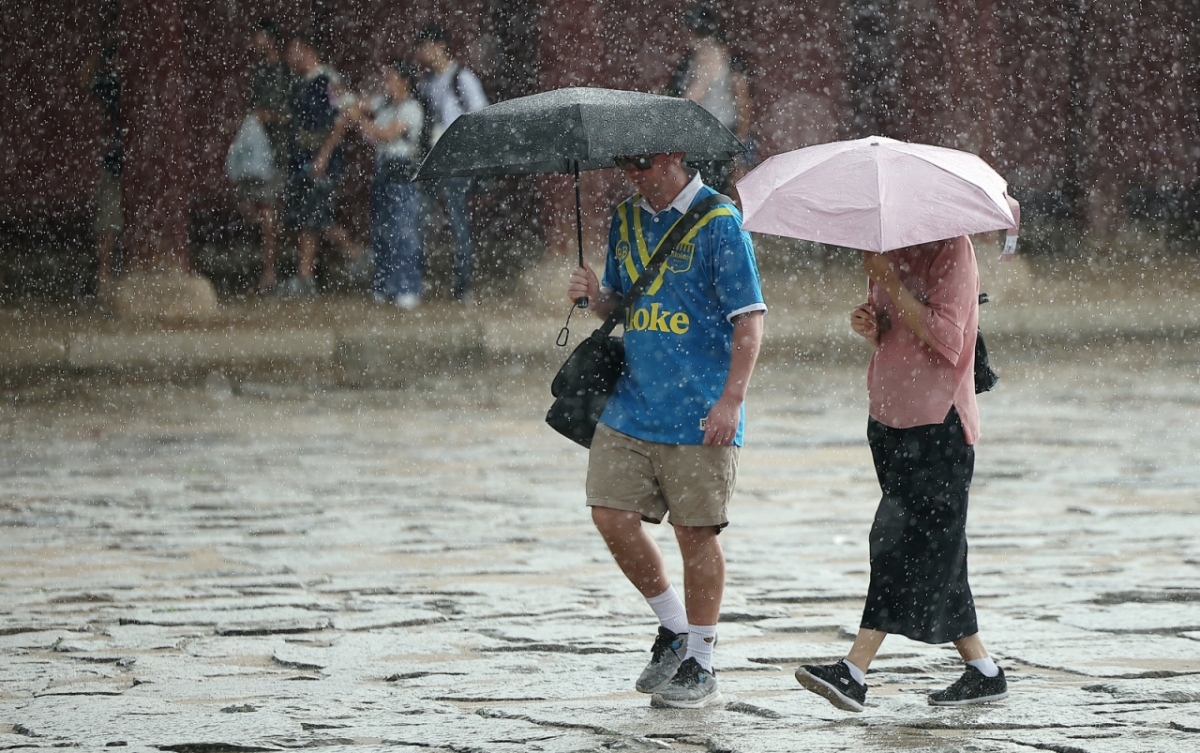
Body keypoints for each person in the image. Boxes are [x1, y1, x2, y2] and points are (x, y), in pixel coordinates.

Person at [566, 152, 766, 709]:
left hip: (701, 407)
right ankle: (674, 627)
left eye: (644, 164)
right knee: (610, 513)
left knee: (695, 534)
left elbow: (749, 319)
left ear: (675, 160)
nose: (634, 174)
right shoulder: (626, 218)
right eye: (627, 164)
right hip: (632, 401)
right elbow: (620, 302)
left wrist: (731, 401)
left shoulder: (720, 222)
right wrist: (593, 298)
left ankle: (701, 661)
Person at [794, 237, 1010, 712]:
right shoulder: (883, 247)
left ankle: (853, 670)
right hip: (888, 420)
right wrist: (871, 324)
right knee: (934, 548)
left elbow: (949, 338)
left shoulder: (953, 250)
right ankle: (983, 671)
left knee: (897, 542)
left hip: (937, 424)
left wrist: (891, 280)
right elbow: (898, 332)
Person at [281, 30, 368, 296]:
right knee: (304, 219)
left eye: (294, 50)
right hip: (301, 158)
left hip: (320, 158)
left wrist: (324, 155)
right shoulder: (301, 83)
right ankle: (306, 275)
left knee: (317, 217)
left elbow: (344, 117)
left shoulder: (328, 81)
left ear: (307, 50)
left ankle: (357, 257)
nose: (290, 56)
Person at [414, 23, 488, 301]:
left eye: (424, 47)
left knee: (457, 222)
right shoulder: (426, 83)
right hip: (432, 160)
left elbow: (481, 117)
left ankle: (461, 285)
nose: (421, 54)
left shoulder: (463, 78)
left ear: (439, 47)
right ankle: (417, 280)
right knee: (421, 218)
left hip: (457, 161)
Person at [349, 61, 425, 309]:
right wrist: (349, 101)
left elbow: (387, 134)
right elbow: (360, 103)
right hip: (382, 172)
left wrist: (360, 120)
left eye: (392, 78)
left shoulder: (411, 108)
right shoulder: (383, 102)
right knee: (381, 232)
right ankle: (383, 285)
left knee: (403, 232)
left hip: (402, 174)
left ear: (405, 82)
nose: (387, 83)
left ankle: (407, 286)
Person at [236, 18, 293, 294]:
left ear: (269, 40)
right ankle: (263, 269)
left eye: (258, 37)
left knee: (267, 208)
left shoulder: (284, 72)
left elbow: (290, 114)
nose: (254, 43)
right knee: (251, 209)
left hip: (276, 151)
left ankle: (270, 272)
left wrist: (266, 116)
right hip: (256, 153)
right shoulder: (260, 71)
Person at [666, 4, 740, 192]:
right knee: (714, 182)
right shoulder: (717, 51)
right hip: (720, 128)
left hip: (711, 129)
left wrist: (675, 111)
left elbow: (696, 93)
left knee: (707, 184)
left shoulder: (707, 53)